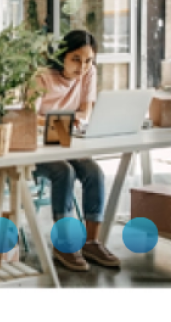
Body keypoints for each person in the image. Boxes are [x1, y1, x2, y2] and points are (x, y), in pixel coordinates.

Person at [34, 30, 120, 272]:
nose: (82, 67)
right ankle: (63, 244)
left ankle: (92, 242)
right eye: (76, 59)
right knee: (64, 171)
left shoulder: (88, 72)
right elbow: (29, 116)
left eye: (88, 60)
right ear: (62, 55)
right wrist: (63, 121)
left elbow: (86, 112)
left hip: (69, 141)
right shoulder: (42, 76)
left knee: (94, 172)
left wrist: (65, 121)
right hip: (39, 145)